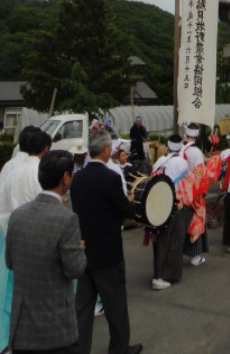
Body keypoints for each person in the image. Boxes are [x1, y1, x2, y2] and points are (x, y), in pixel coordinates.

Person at [6, 150, 87, 354]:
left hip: (22, 328)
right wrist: (78, 249)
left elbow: (10, 262)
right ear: (65, 178)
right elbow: (75, 269)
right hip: (56, 329)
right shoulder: (67, 219)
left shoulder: (17, 216)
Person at [70, 130, 142, 354]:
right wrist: (132, 208)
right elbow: (125, 209)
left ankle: (80, 349)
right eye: (110, 148)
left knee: (82, 307)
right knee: (115, 304)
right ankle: (119, 349)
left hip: (83, 252)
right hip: (108, 254)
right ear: (106, 150)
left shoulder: (77, 179)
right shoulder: (110, 178)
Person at [0, 129, 52, 352]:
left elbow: (2, 209)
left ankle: (8, 342)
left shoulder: (11, 172)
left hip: (11, 239)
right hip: (37, 244)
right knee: (38, 297)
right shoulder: (41, 173)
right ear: (46, 149)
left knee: (11, 295)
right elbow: (47, 209)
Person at [149, 134, 189, 290]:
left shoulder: (159, 162)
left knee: (160, 239)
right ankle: (166, 276)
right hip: (174, 204)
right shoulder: (181, 162)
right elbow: (186, 184)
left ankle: (157, 273)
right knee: (174, 240)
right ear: (180, 147)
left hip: (158, 205)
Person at [181, 123, 209, 266]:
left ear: (186, 135)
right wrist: (202, 192)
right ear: (197, 135)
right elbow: (200, 175)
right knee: (196, 221)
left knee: (182, 224)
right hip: (194, 193)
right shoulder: (196, 152)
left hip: (181, 192)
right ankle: (195, 256)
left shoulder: (180, 149)